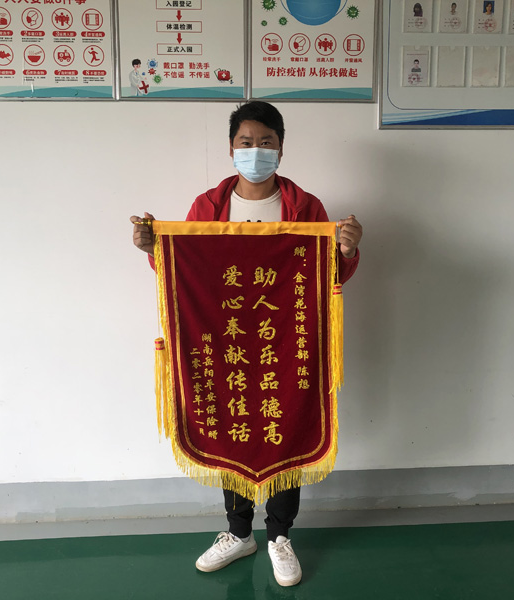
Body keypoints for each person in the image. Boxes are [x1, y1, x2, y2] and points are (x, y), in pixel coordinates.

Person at [130, 101, 362, 587]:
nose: (256, 151)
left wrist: (345, 249)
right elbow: (183, 270)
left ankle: (279, 536)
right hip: (226, 339)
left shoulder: (306, 207)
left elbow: (328, 277)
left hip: (284, 341)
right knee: (230, 424)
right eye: (246, 142)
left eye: (266, 142)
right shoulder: (207, 207)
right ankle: (238, 533)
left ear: (281, 148)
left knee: (286, 425)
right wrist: (154, 247)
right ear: (231, 148)